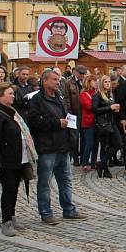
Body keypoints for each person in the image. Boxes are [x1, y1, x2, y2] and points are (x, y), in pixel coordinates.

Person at [27, 69, 86, 224]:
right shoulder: (37, 99)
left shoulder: (59, 96)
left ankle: (69, 210)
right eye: (54, 79)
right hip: (47, 147)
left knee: (65, 180)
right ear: (45, 81)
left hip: (62, 146)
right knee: (45, 182)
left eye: (58, 79)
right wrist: (56, 123)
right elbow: (33, 122)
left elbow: (64, 115)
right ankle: (46, 213)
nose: (58, 82)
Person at [0, 82, 38, 236]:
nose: (13, 96)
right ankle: (6, 221)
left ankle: (12, 216)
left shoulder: (12, 112)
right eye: (10, 93)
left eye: (13, 93)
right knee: (8, 190)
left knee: (14, 189)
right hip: (6, 160)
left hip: (19, 158)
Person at [92, 75, 122, 179]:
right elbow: (95, 110)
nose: (108, 83)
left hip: (112, 123)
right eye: (105, 82)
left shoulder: (111, 94)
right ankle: (105, 169)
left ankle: (101, 163)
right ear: (101, 83)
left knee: (118, 144)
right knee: (105, 146)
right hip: (103, 124)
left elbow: (110, 109)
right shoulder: (97, 95)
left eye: (109, 81)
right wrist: (110, 107)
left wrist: (115, 110)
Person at [61, 64, 86, 166]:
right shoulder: (68, 83)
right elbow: (66, 99)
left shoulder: (85, 82)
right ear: (75, 72)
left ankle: (83, 157)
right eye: (81, 73)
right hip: (74, 114)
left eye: (84, 73)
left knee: (84, 138)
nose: (82, 75)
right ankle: (75, 158)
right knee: (74, 138)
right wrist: (69, 112)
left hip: (84, 114)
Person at [78, 75, 98, 172]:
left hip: (96, 122)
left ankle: (93, 163)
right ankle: (84, 163)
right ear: (89, 82)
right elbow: (89, 106)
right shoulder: (83, 94)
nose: (96, 83)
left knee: (95, 144)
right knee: (89, 143)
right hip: (88, 122)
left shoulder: (96, 92)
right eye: (94, 81)